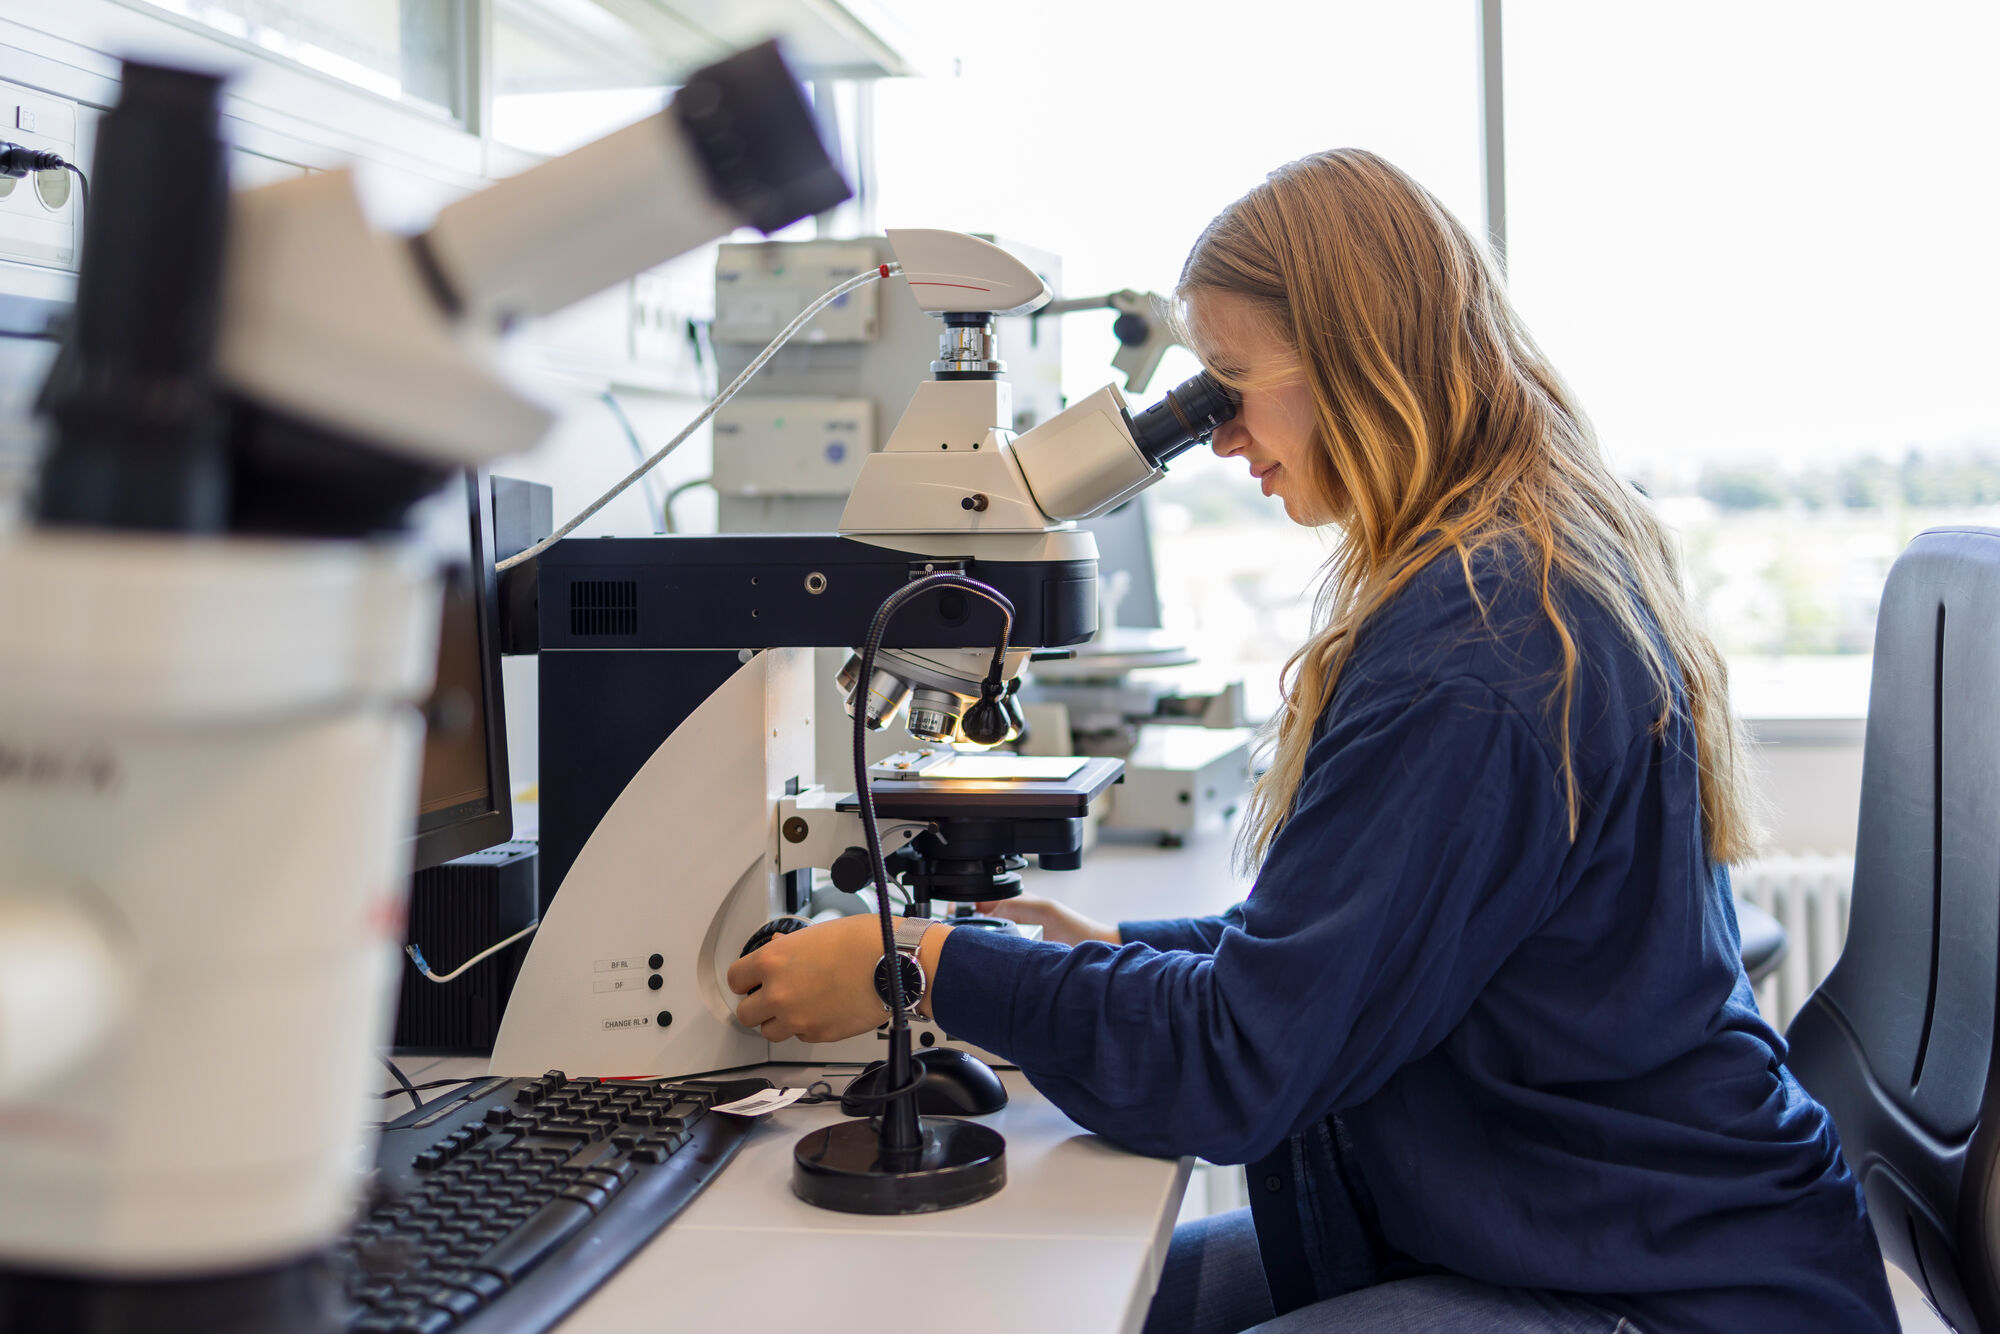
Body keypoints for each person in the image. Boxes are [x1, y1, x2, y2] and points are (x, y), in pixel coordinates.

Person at [726, 149, 1899, 1333]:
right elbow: (1334, 949)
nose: (1219, 435)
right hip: (1558, 1211)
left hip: (1664, 1288)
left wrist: (924, 964)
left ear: (1359, 359)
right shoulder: (1499, 562)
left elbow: (1240, 1064)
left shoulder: (1480, 647)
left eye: (1229, 382)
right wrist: (1109, 946)